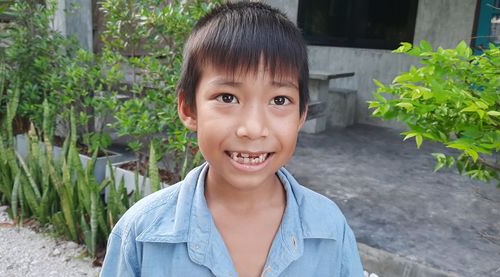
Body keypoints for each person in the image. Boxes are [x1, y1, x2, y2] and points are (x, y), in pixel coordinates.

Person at [100, 2, 364, 276]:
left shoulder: (331, 229)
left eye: (279, 100)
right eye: (227, 98)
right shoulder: (141, 233)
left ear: (300, 115)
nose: (253, 128)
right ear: (189, 109)